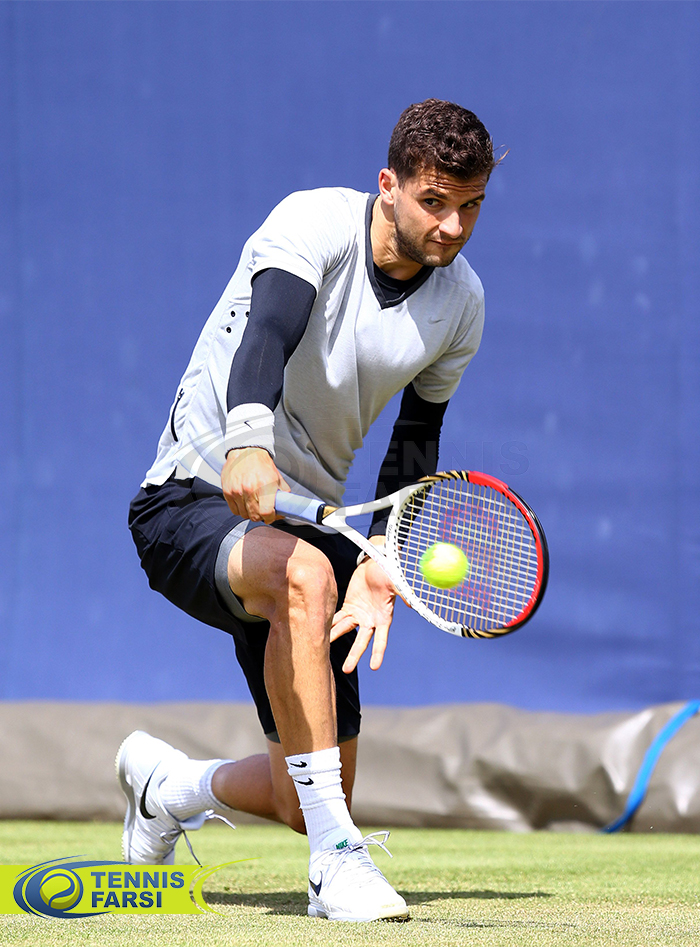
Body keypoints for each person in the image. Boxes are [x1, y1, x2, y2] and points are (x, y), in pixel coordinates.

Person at [118, 98, 495, 923]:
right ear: (389, 185)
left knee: (307, 796)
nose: (452, 226)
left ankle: (166, 787)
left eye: (470, 206)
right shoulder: (315, 222)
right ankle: (337, 865)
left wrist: (383, 558)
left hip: (306, 520)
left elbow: (415, 444)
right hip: (191, 493)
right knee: (306, 579)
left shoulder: (461, 304)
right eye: (434, 201)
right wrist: (248, 441)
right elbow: (269, 331)